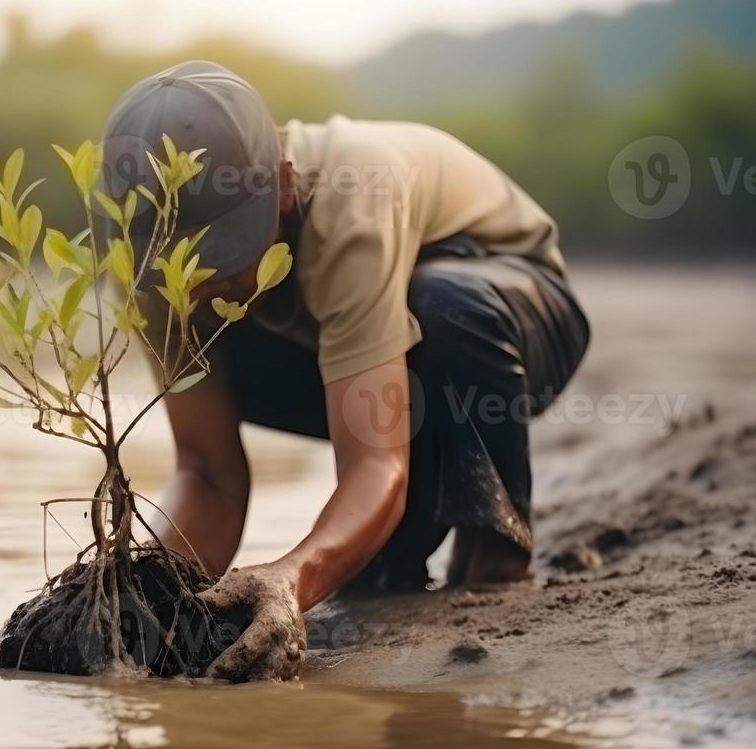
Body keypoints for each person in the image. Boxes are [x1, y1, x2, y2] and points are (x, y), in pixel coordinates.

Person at [102, 61, 589, 681]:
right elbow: (208, 474)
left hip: (508, 313)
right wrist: (137, 595)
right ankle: (402, 541)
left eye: (223, 255)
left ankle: (495, 549)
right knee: (378, 579)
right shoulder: (149, 272)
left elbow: (374, 462)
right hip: (377, 366)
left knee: (447, 304)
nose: (201, 284)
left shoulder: (354, 195)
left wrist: (290, 577)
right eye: (181, 264)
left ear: (282, 185)